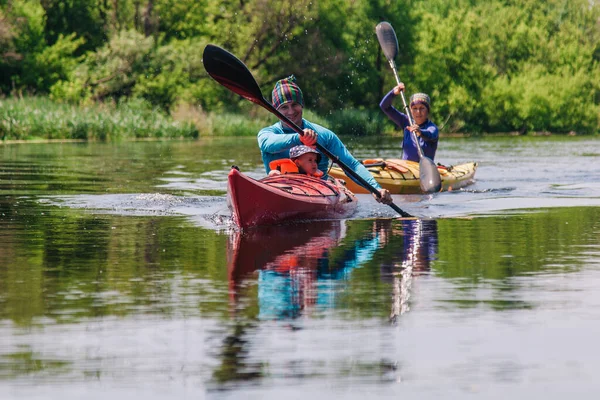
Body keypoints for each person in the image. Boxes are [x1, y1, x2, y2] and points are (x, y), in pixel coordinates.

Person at [258, 75, 392, 204]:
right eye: (284, 107)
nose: (291, 111)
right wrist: (299, 137)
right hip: (279, 188)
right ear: (275, 110)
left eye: (295, 104)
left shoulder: (324, 136)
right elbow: (267, 144)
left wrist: (375, 188)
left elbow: (352, 165)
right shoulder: (267, 134)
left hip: (320, 192)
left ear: (302, 105)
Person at [379, 83, 438, 162]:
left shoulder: (432, 128)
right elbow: (384, 106)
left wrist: (420, 132)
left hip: (423, 169)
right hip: (406, 167)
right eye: (415, 108)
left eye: (422, 108)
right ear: (410, 110)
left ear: (428, 110)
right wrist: (393, 93)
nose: (418, 112)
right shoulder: (405, 121)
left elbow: (430, 134)